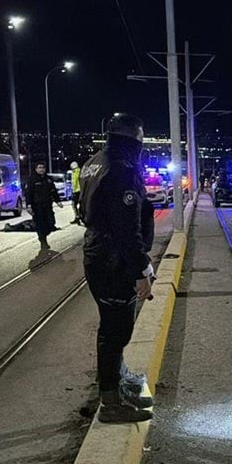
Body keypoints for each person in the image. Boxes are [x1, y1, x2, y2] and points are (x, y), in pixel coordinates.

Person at [78, 113, 155, 424]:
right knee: (116, 331)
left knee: (111, 328)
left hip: (97, 251)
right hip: (113, 259)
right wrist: (141, 269)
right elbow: (126, 229)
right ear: (133, 141)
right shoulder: (122, 170)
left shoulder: (94, 161)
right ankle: (111, 400)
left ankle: (117, 384)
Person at [25, 162, 62, 250]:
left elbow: (53, 191)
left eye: (43, 167)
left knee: (51, 222)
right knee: (40, 224)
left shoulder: (48, 179)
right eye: (39, 167)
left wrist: (58, 201)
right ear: (36, 169)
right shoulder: (32, 180)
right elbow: (28, 194)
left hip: (48, 206)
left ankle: (45, 234)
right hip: (37, 207)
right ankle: (43, 241)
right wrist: (29, 205)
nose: (41, 169)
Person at [69, 161, 83, 225]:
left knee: (74, 204)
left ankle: (78, 216)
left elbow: (76, 182)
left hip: (77, 191)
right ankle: (78, 216)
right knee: (76, 204)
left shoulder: (76, 172)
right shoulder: (76, 171)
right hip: (77, 190)